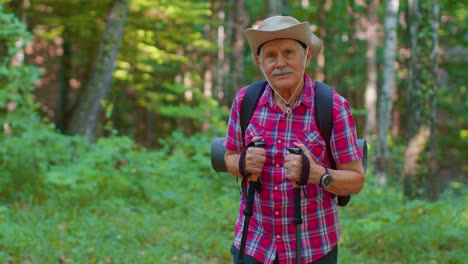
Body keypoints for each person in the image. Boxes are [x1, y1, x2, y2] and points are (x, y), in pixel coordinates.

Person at [223, 16, 366, 264]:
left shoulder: (332, 107)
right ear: (260, 62)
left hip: (312, 247)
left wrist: (318, 174)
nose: (280, 63)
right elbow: (230, 157)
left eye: (289, 52)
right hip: (254, 242)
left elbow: (356, 180)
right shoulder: (245, 101)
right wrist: (242, 163)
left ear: (307, 56)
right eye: (270, 56)